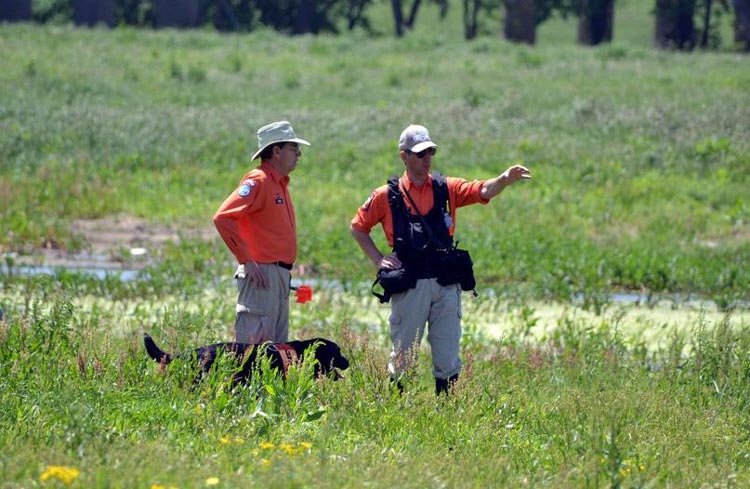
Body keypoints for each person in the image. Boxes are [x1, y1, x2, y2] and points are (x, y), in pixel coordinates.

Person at [350, 124, 531, 395]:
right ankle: (395, 416)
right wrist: (379, 259)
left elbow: (482, 191)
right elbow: (358, 227)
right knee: (403, 359)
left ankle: (447, 416)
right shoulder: (385, 195)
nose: (427, 159)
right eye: (420, 154)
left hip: (446, 285)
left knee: (447, 358)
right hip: (410, 286)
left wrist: (503, 180)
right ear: (404, 156)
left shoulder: (447, 188)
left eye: (430, 152)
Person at [214, 121, 310, 344]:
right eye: (294, 149)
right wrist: (246, 260)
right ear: (276, 151)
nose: (299, 154)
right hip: (261, 275)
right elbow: (223, 217)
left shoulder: (279, 183)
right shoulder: (258, 181)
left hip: (277, 276)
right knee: (254, 353)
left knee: (276, 353)